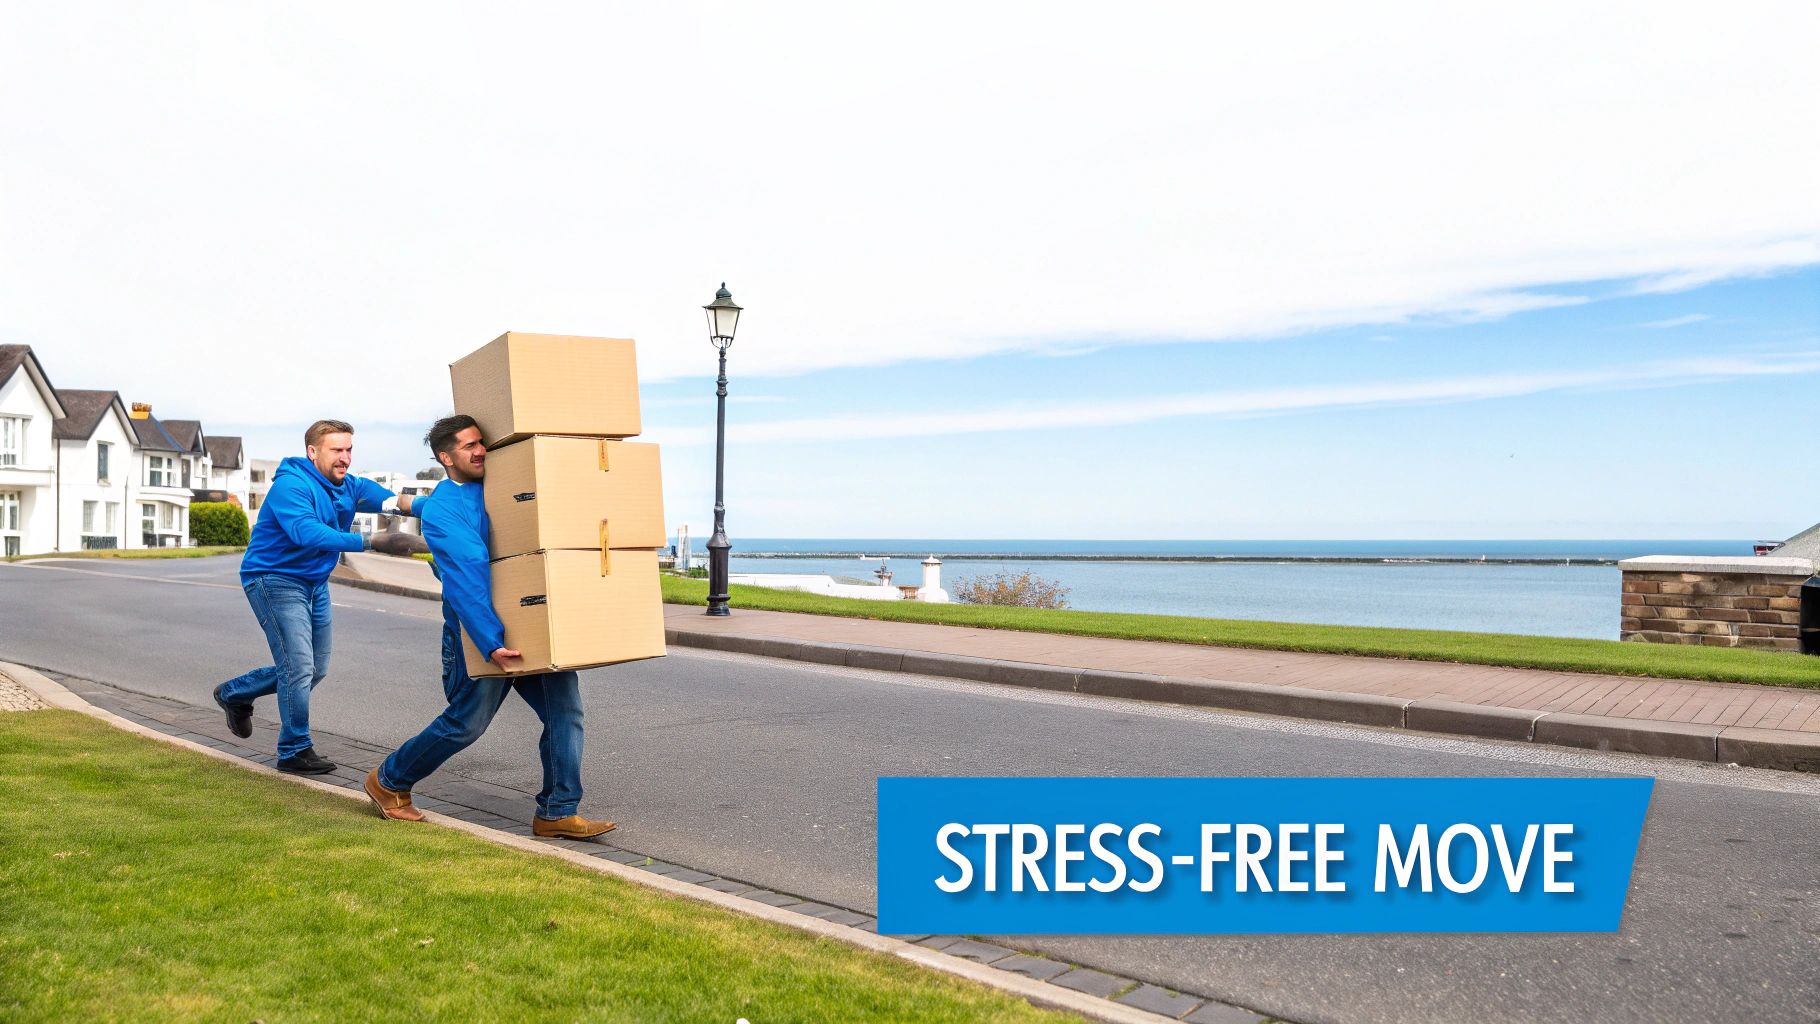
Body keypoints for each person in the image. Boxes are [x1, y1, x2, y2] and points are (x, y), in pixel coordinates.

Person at [362, 414, 614, 839]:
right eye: (469, 446)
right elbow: (468, 577)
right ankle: (388, 781)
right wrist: (491, 642)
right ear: (446, 457)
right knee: (466, 724)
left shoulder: (497, 487)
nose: (481, 451)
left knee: (565, 712)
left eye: (482, 442)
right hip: (478, 634)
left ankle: (557, 811)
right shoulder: (444, 509)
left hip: (530, 623)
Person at [213, 419, 421, 774]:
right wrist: (373, 541)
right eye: (336, 450)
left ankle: (234, 694)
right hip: (274, 579)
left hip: (314, 583)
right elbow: (306, 533)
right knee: (298, 667)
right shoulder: (292, 486)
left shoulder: (350, 486)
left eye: (349, 450)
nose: (345, 458)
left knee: (315, 669)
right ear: (313, 452)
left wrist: (441, 507)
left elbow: (395, 502)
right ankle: (294, 750)